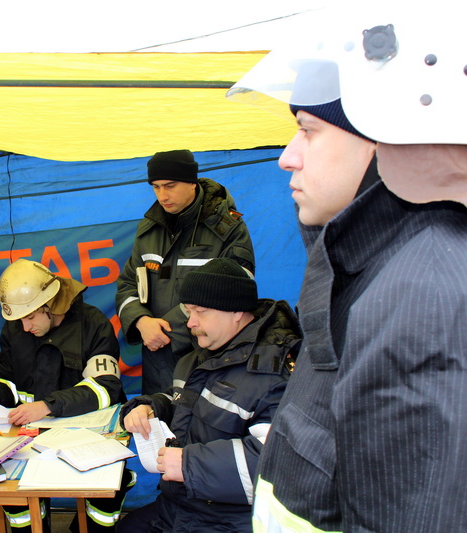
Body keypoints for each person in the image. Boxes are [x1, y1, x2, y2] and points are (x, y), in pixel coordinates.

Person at [226, 6, 467, 531]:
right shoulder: (368, 267)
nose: (287, 157)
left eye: (307, 132)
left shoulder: (424, 291)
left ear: (388, 139)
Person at [117, 258, 300, 533]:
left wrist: (189, 465)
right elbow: (182, 400)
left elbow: (282, 465)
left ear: (236, 311)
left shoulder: (275, 373)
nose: (190, 322)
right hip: (181, 507)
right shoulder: (201, 354)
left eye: (200, 311)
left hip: (234, 519)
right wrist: (150, 406)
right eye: (188, 311)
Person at [0, 258, 134, 532]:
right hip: (30, 439)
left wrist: (48, 406)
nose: (25, 328)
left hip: (91, 438)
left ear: (49, 305)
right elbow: (1, 372)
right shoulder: (17, 326)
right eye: (19, 319)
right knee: (17, 502)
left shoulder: (93, 324)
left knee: (102, 502)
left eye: (30, 317)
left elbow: (106, 387)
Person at [115, 149, 256, 395]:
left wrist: (165, 329)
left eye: (170, 185)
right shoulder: (149, 230)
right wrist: (141, 321)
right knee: (157, 424)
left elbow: (236, 288)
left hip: (207, 357)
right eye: (156, 187)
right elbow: (128, 283)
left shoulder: (228, 228)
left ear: (192, 182)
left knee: (201, 427)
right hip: (156, 358)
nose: (162, 195)